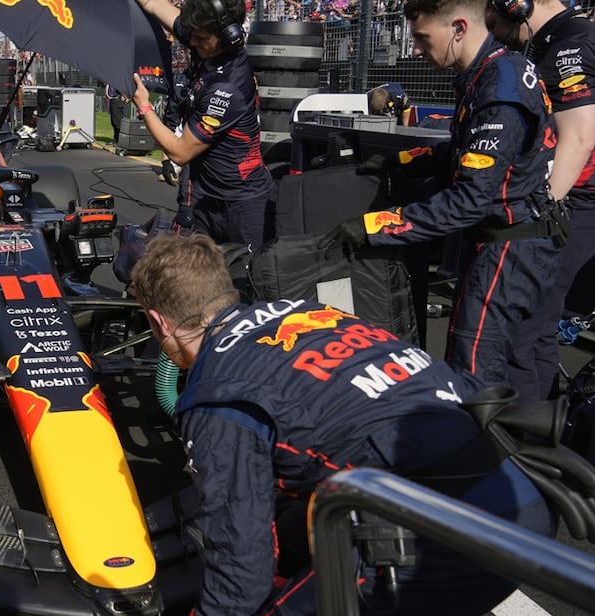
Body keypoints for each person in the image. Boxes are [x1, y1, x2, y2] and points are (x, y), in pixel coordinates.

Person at [127, 233, 553, 616]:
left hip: (446, 535)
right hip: (521, 491)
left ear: (160, 322)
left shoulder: (218, 393)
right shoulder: (311, 313)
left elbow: (242, 567)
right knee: (294, 524)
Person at [321, 0, 562, 390]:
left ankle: (484, 449)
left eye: (421, 37)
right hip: (519, 239)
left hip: (509, 249)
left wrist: (375, 225)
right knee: (518, 370)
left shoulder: (499, 85)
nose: (415, 49)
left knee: (472, 372)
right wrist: (399, 159)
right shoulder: (491, 70)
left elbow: (470, 199)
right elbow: (464, 151)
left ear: (459, 28)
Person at [487, 0, 595, 401]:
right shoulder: (553, 40)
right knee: (537, 331)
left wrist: (542, 209)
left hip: (574, 204)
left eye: (494, 16)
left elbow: (581, 136)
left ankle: (530, 445)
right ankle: (548, 433)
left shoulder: (572, 43)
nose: (493, 28)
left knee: (522, 329)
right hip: (569, 203)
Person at [131, 0, 275, 248]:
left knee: (246, 282)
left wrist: (144, 106)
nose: (192, 43)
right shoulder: (208, 38)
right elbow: (153, 4)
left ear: (228, 36)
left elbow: (180, 151)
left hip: (243, 205)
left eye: (199, 38)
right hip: (207, 199)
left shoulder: (228, 87)